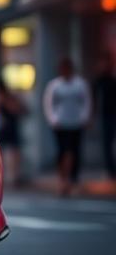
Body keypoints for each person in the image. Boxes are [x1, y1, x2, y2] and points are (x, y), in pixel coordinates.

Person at [43, 57, 92, 195]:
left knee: (75, 150)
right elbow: (49, 103)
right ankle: (62, 178)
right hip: (60, 123)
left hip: (76, 122)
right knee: (62, 150)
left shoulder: (80, 84)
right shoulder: (55, 85)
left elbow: (86, 101)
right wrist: (53, 119)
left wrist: (85, 117)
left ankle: (74, 178)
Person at [0, 78, 27, 185]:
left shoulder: (8, 98)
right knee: (2, 153)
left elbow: (20, 109)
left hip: (9, 128)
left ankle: (14, 176)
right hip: (4, 128)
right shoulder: (0, 98)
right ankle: (2, 176)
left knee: (13, 153)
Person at [94, 51, 116, 179]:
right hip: (106, 115)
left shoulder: (112, 78)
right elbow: (94, 97)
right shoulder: (100, 79)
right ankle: (110, 170)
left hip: (112, 113)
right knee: (107, 143)